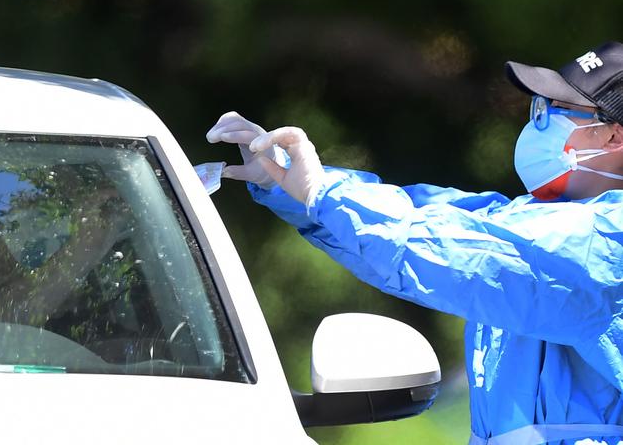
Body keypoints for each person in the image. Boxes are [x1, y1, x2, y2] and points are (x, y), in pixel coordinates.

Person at [207, 41, 623, 444]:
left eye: (557, 110)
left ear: (612, 137)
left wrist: (323, 195)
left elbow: (449, 250)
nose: (539, 121)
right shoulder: (531, 216)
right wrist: (285, 182)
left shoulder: (606, 240)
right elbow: (416, 210)